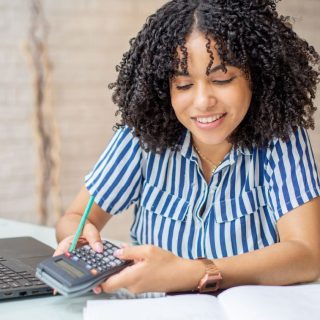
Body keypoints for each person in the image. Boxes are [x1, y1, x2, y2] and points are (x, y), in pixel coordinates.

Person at [55, 0, 320, 295]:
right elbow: (76, 218)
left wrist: (195, 273)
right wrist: (80, 241)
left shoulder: (279, 137)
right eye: (183, 85)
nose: (203, 101)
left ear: (257, 76)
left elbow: (307, 254)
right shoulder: (144, 134)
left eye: (221, 79)